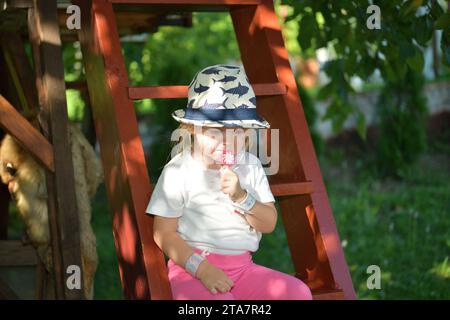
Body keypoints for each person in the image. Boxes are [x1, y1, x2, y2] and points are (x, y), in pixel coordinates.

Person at [146, 64, 312, 300]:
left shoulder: (250, 165)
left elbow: (268, 223)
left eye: (235, 130)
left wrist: (242, 197)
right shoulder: (178, 171)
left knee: (298, 293)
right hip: (191, 270)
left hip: (244, 270)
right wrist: (202, 269)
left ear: (246, 133)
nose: (225, 140)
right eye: (214, 130)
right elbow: (163, 233)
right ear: (191, 128)